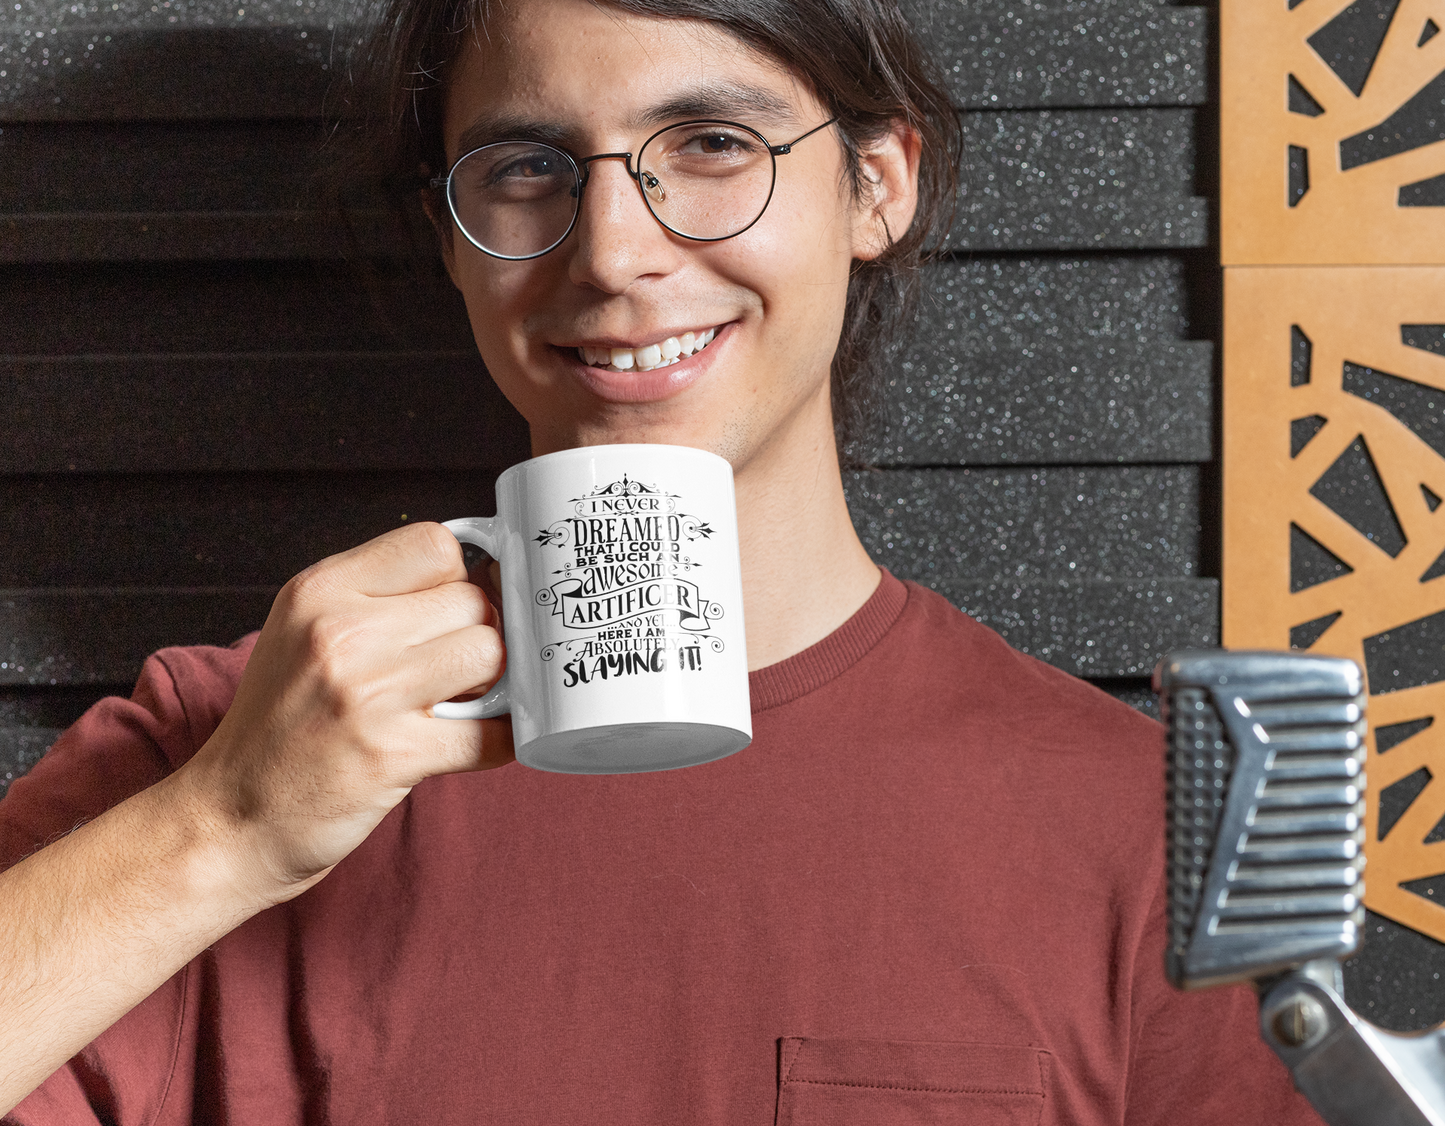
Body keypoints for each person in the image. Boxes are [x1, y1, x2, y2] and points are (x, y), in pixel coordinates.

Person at [0, 0, 1324, 1122]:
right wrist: (225, 829)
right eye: (525, 165)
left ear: (878, 183)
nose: (617, 254)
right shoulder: (206, 758)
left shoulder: (1136, 833)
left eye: (711, 144)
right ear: (449, 239)